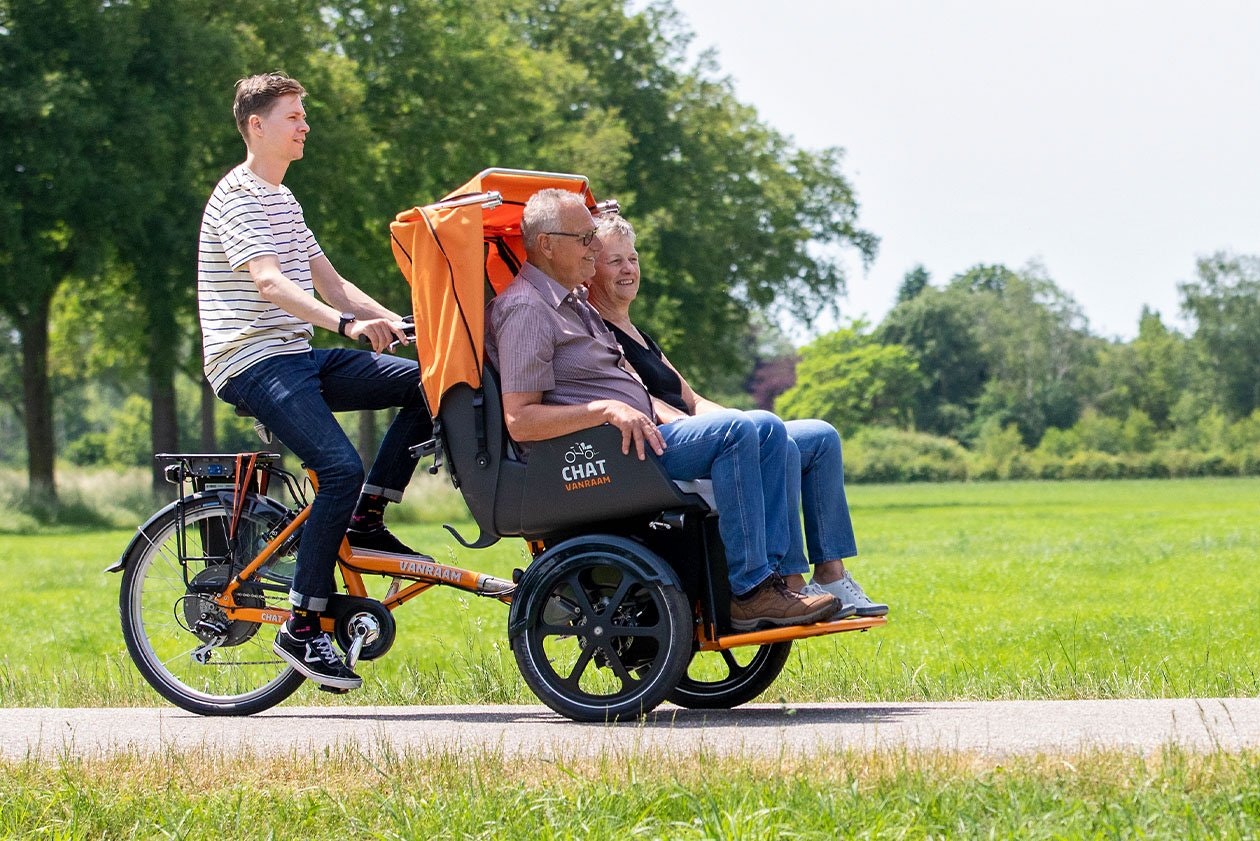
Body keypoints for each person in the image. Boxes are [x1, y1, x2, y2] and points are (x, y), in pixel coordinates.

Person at [486, 188, 839, 630]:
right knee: (740, 430)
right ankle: (750, 591)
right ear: (546, 244)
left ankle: (779, 583)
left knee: (765, 429)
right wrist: (606, 410)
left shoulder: (573, 303)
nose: (594, 246)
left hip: (639, 436)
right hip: (604, 452)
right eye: (584, 238)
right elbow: (520, 420)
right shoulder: (526, 310)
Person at [197, 73, 433, 691]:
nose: (305, 126)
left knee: (427, 385)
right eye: (293, 116)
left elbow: (331, 283)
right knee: (337, 469)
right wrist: (348, 326)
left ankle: (367, 517)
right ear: (257, 126)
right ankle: (301, 624)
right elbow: (271, 283)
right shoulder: (238, 195)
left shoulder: (283, 199)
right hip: (250, 361)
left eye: (304, 115)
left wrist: (402, 324)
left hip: (297, 357)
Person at [584, 214, 887, 618]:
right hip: (666, 443)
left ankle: (831, 576)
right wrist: (735, 429)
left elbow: (691, 398)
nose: (629, 269)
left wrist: (747, 423)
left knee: (820, 436)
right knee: (761, 428)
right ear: (589, 272)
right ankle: (788, 581)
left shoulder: (637, 331)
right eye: (615, 261)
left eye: (633, 258)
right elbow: (646, 402)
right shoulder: (599, 332)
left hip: (693, 428)